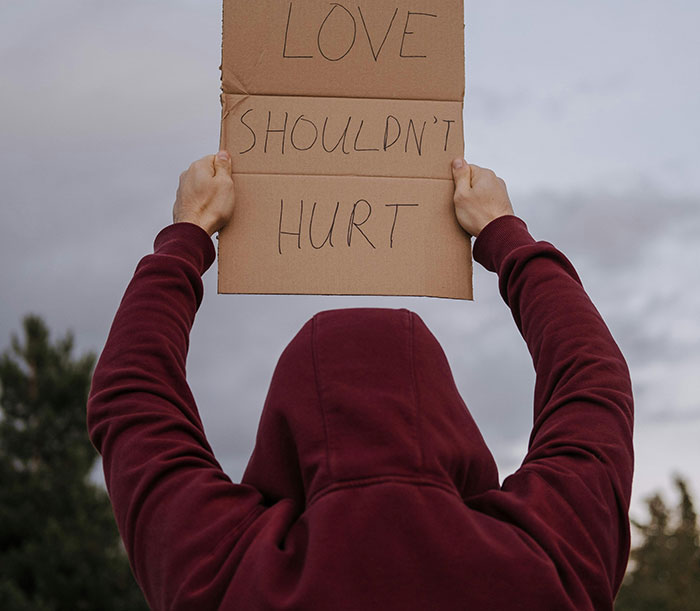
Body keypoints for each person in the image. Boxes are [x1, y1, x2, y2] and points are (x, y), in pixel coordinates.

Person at [87, 151, 634, 610]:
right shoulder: (550, 561)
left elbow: (132, 399)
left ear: (284, 430)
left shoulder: (220, 572)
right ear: (447, 417)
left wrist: (188, 235)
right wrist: (504, 235)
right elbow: (593, 384)